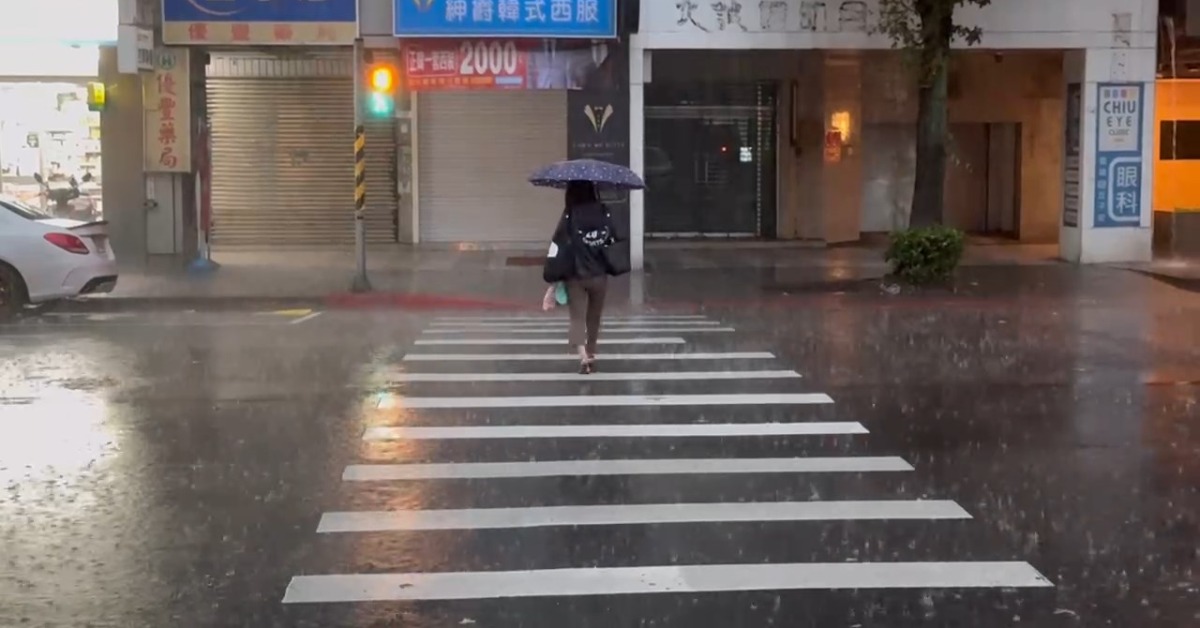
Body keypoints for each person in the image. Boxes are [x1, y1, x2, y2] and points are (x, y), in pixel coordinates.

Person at [552, 181, 620, 374]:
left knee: (577, 318)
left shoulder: (570, 214)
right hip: (599, 275)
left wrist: (554, 279)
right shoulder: (603, 212)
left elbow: (559, 244)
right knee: (594, 318)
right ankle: (591, 354)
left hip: (576, 274)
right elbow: (612, 237)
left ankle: (582, 356)